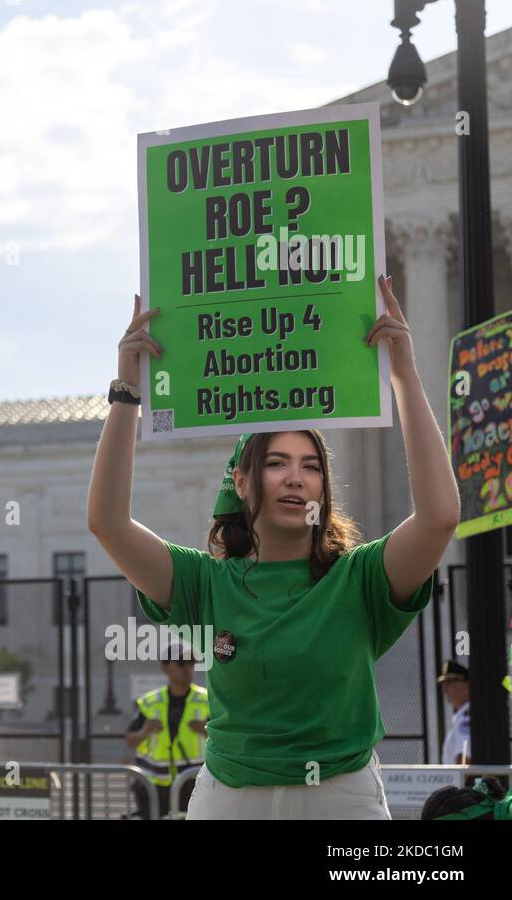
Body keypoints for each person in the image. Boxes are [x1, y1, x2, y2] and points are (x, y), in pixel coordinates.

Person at [88, 276, 459, 819]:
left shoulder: (360, 578)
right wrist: (126, 394)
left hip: (343, 799)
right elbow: (108, 524)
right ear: (242, 481)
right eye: (276, 462)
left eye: (311, 466)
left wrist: (403, 376)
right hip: (228, 801)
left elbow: (439, 517)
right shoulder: (205, 582)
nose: (295, 478)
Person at [125, 639, 208, 819]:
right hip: (154, 787)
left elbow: (224, 738)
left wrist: (205, 730)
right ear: (165, 666)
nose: (187, 668)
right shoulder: (149, 702)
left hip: (193, 784)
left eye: (191, 662)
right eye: (180, 662)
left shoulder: (206, 700)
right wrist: (145, 731)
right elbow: (130, 740)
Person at [437, 658, 470, 765]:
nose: (445, 689)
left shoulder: (467, 717)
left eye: (450, 682)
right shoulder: (462, 715)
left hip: (458, 781)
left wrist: (458, 782)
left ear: (467, 685)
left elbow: (464, 759)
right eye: (444, 684)